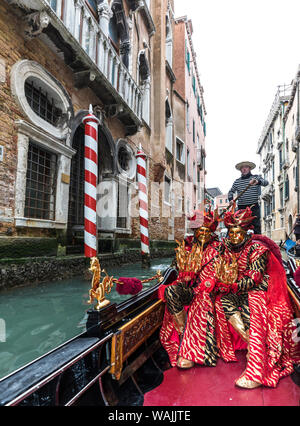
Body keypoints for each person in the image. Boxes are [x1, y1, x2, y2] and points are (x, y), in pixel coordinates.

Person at [212, 207, 300, 388]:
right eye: (231, 233)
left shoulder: (258, 249)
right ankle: (249, 343)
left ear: (245, 233)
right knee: (222, 301)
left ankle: (257, 369)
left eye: (238, 233)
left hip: (259, 290)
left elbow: (254, 278)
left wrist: (232, 285)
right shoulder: (226, 248)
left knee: (252, 305)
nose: (234, 236)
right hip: (237, 291)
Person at [159, 208, 221, 369]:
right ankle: (183, 336)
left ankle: (192, 352)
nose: (204, 234)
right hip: (189, 289)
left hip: (211, 290)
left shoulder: (219, 248)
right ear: (195, 231)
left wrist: (207, 283)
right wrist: (182, 277)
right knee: (171, 291)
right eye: (201, 231)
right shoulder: (185, 248)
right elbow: (174, 269)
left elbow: (223, 271)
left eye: (208, 231)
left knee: (202, 299)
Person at [228, 161, 268, 234]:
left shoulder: (255, 177)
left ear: (249, 169)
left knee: (256, 227)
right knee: (241, 228)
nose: (244, 169)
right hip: (241, 208)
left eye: (246, 167)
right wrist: (230, 200)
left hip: (254, 206)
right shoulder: (237, 182)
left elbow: (266, 183)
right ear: (240, 170)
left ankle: (257, 244)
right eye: (242, 168)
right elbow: (231, 192)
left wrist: (257, 182)